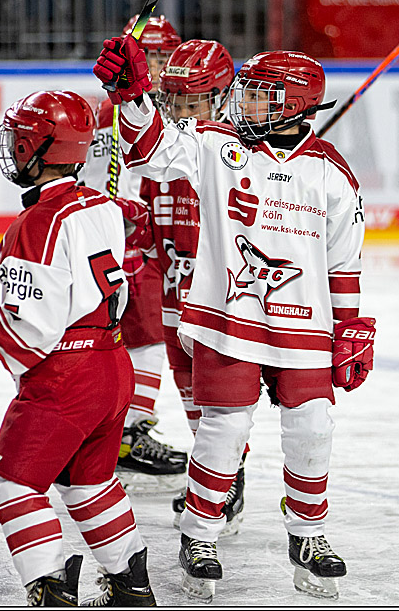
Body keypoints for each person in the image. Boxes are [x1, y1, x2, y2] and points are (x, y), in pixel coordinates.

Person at [94, 40, 377, 601]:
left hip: (305, 327)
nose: (244, 103)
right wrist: (129, 97)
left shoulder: (331, 173)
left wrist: (352, 327)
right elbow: (151, 149)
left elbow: (345, 260)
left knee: (312, 427)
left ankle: (309, 535)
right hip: (230, 319)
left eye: (261, 95)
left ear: (295, 104)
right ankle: (200, 535)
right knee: (222, 430)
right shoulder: (217, 147)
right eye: (245, 92)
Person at [0, 90, 157, 606]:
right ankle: (131, 585)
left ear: (36, 147)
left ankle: (50, 588)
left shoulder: (36, 225)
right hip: (113, 368)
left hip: (66, 379)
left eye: (19, 140)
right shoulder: (103, 207)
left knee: (14, 483)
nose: (13, 151)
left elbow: (29, 333)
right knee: (89, 483)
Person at [137, 38, 249, 536]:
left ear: (222, 98)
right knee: (191, 401)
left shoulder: (234, 155)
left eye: (194, 101)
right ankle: (218, 475)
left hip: (221, 301)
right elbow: (145, 212)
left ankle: (228, 477)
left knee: (220, 400)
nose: (183, 112)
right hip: (171, 290)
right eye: (175, 101)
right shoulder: (167, 151)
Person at [79, 16, 188, 492]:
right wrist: (117, 214)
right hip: (128, 241)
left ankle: (123, 430)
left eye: (168, 54)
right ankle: (128, 434)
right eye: (157, 55)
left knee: (147, 336)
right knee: (143, 338)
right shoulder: (118, 110)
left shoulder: (158, 107)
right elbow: (101, 175)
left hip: (149, 237)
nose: (164, 64)